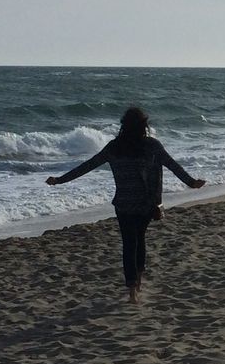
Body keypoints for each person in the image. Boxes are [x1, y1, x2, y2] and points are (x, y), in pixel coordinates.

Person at [46, 107, 206, 303]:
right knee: (140, 239)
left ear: (124, 126)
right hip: (147, 204)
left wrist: (59, 180)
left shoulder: (115, 147)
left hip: (123, 204)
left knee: (129, 243)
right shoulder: (152, 146)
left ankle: (132, 290)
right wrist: (191, 182)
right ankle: (138, 280)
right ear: (143, 126)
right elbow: (173, 166)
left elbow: (87, 166)